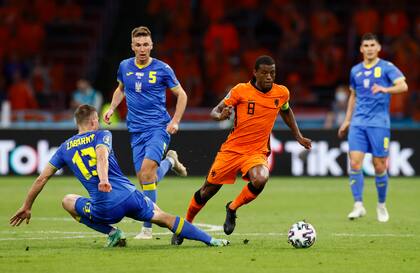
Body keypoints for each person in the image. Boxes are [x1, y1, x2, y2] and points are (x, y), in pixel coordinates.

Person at [10, 105, 229, 248]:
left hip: (104, 209)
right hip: (130, 196)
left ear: (77, 123)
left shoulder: (64, 148)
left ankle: (112, 233)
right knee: (164, 217)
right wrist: (104, 179)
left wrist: (27, 205)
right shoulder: (103, 134)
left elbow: (41, 179)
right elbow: (101, 155)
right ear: (94, 121)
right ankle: (212, 241)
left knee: (67, 200)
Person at [172, 55, 312, 245]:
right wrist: (220, 116)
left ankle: (232, 208)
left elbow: (286, 110)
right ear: (255, 73)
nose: (269, 77)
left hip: (256, 152)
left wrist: (298, 135)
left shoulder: (282, 93)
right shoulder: (240, 90)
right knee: (207, 192)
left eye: (272, 73)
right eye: (264, 73)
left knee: (261, 178)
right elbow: (214, 111)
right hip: (232, 150)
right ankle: (186, 225)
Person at [103, 26, 188, 239]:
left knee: (148, 173)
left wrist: (175, 121)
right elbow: (121, 89)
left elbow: (182, 95)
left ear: (152, 46)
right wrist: (112, 108)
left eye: (146, 45)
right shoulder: (124, 66)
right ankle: (170, 161)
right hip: (136, 130)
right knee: (145, 177)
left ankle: (147, 228)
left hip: (159, 128)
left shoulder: (163, 69)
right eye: (138, 45)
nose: (142, 49)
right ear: (132, 46)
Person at [338, 33, 408, 222]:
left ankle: (381, 205)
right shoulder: (355, 71)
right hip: (358, 123)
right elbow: (353, 95)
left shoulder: (387, 67)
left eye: (372, 45)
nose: (369, 48)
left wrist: (386, 89)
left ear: (378, 48)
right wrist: (347, 120)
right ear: (361, 49)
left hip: (379, 123)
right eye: (366, 45)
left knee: (379, 166)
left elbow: (403, 86)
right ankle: (358, 205)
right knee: (354, 163)